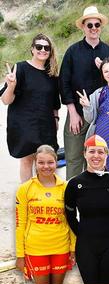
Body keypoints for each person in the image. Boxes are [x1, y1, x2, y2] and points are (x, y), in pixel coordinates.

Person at [60, 6, 109, 179]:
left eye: (97, 25)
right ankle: (72, 198)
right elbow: (64, 82)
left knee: (98, 157)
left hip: (102, 114)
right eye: (90, 25)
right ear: (83, 27)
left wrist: (104, 69)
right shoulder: (72, 52)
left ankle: (95, 197)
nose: (93, 28)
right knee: (74, 157)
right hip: (76, 112)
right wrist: (72, 112)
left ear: (101, 27)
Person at [64, 135, 109, 284]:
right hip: (86, 245)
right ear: (84, 153)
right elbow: (70, 215)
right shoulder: (74, 184)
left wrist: (107, 231)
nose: (96, 156)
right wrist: (84, 233)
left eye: (100, 152)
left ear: (106, 154)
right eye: (92, 152)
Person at [1, 34, 60, 182]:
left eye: (46, 47)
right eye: (39, 47)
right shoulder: (20, 68)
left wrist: (56, 118)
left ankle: (42, 197)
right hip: (23, 123)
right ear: (32, 49)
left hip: (46, 124)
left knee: (44, 161)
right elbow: (6, 100)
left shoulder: (51, 73)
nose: (42, 50)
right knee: (27, 160)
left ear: (50, 51)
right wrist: (11, 85)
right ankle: (27, 196)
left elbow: (54, 102)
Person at [15, 145, 75, 284]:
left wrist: (73, 247)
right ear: (35, 163)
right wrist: (20, 255)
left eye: (50, 162)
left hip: (61, 247)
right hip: (35, 248)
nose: (46, 166)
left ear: (56, 163)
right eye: (41, 162)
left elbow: (71, 220)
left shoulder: (66, 187)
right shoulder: (25, 189)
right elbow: (20, 223)